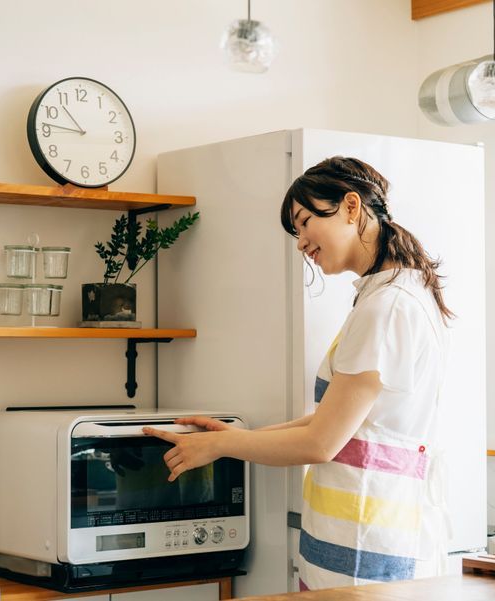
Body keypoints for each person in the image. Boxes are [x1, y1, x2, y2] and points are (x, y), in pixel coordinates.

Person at [142, 156, 453, 590]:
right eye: (297, 230)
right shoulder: (392, 294)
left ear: (350, 206)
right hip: (358, 534)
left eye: (305, 222)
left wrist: (223, 445)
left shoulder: (387, 306)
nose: (301, 242)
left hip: (366, 544)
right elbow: (340, 422)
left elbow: (322, 442)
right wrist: (228, 440)